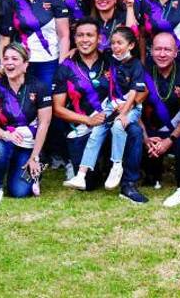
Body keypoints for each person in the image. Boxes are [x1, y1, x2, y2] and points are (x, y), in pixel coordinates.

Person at [51, 18, 148, 202]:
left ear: (99, 38)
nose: (84, 39)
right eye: (80, 35)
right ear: (74, 38)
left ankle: (129, 184)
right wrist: (87, 120)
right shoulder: (66, 66)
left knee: (132, 129)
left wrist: (128, 107)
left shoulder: (112, 60)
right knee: (88, 184)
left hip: (112, 121)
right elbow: (57, 109)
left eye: (90, 35)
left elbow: (143, 92)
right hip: (83, 127)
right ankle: (95, 168)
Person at [0, 43, 52, 204]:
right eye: (6, 59)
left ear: (25, 64)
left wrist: (34, 156)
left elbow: (44, 123)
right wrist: (7, 135)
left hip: (29, 143)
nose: (9, 63)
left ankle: (38, 163)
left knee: (19, 192)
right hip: (4, 138)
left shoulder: (39, 86)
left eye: (15, 58)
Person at [139, 32, 180, 207]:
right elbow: (133, 110)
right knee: (131, 132)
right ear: (151, 51)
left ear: (176, 52)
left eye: (168, 49)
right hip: (150, 131)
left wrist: (170, 140)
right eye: (158, 49)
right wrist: (145, 139)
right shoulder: (142, 73)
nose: (162, 54)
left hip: (177, 131)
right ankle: (142, 175)